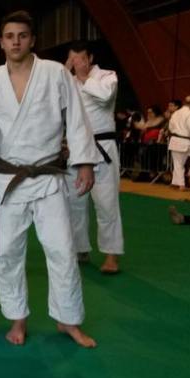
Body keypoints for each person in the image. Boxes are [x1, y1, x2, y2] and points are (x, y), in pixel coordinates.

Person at [0, 10, 99, 348]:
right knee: (8, 253)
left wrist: (84, 162)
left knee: (62, 249)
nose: (16, 42)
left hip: (48, 176)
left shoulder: (54, 73)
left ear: (32, 40)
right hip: (8, 178)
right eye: (9, 36)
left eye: (22, 36)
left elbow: (76, 117)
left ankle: (68, 319)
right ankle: (17, 318)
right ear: (1, 42)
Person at [63, 41, 125, 274]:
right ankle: (81, 249)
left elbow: (105, 97)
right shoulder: (67, 81)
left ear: (90, 58)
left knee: (106, 204)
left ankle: (111, 255)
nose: (77, 63)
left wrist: (82, 77)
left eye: (80, 58)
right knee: (74, 203)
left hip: (103, 147)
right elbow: (51, 103)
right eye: (72, 59)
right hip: (76, 149)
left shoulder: (107, 76)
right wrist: (63, 73)